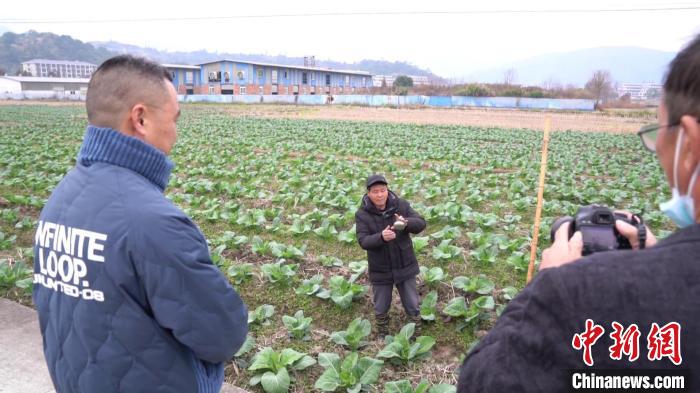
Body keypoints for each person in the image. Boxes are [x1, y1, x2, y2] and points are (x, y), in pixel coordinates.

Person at [457, 35, 700, 392]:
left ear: (690, 144)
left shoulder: (574, 295)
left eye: (656, 133)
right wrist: (666, 260)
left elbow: (484, 382)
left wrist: (547, 287)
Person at [32, 55, 248, 393]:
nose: (176, 132)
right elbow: (222, 335)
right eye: (175, 119)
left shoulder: (61, 198)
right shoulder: (152, 222)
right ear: (141, 119)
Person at [355, 174, 426, 337]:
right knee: (381, 305)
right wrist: (381, 237)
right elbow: (363, 240)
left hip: (404, 264)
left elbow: (421, 223)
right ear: (368, 194)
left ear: (387, 190)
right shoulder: (362, 214)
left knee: (412, 304)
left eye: (383, 190)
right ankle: (383, 335)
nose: (380, 195)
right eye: (375, 192)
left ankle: (416, 335)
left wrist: (406, 223)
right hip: (380, 268)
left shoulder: (401, 205)